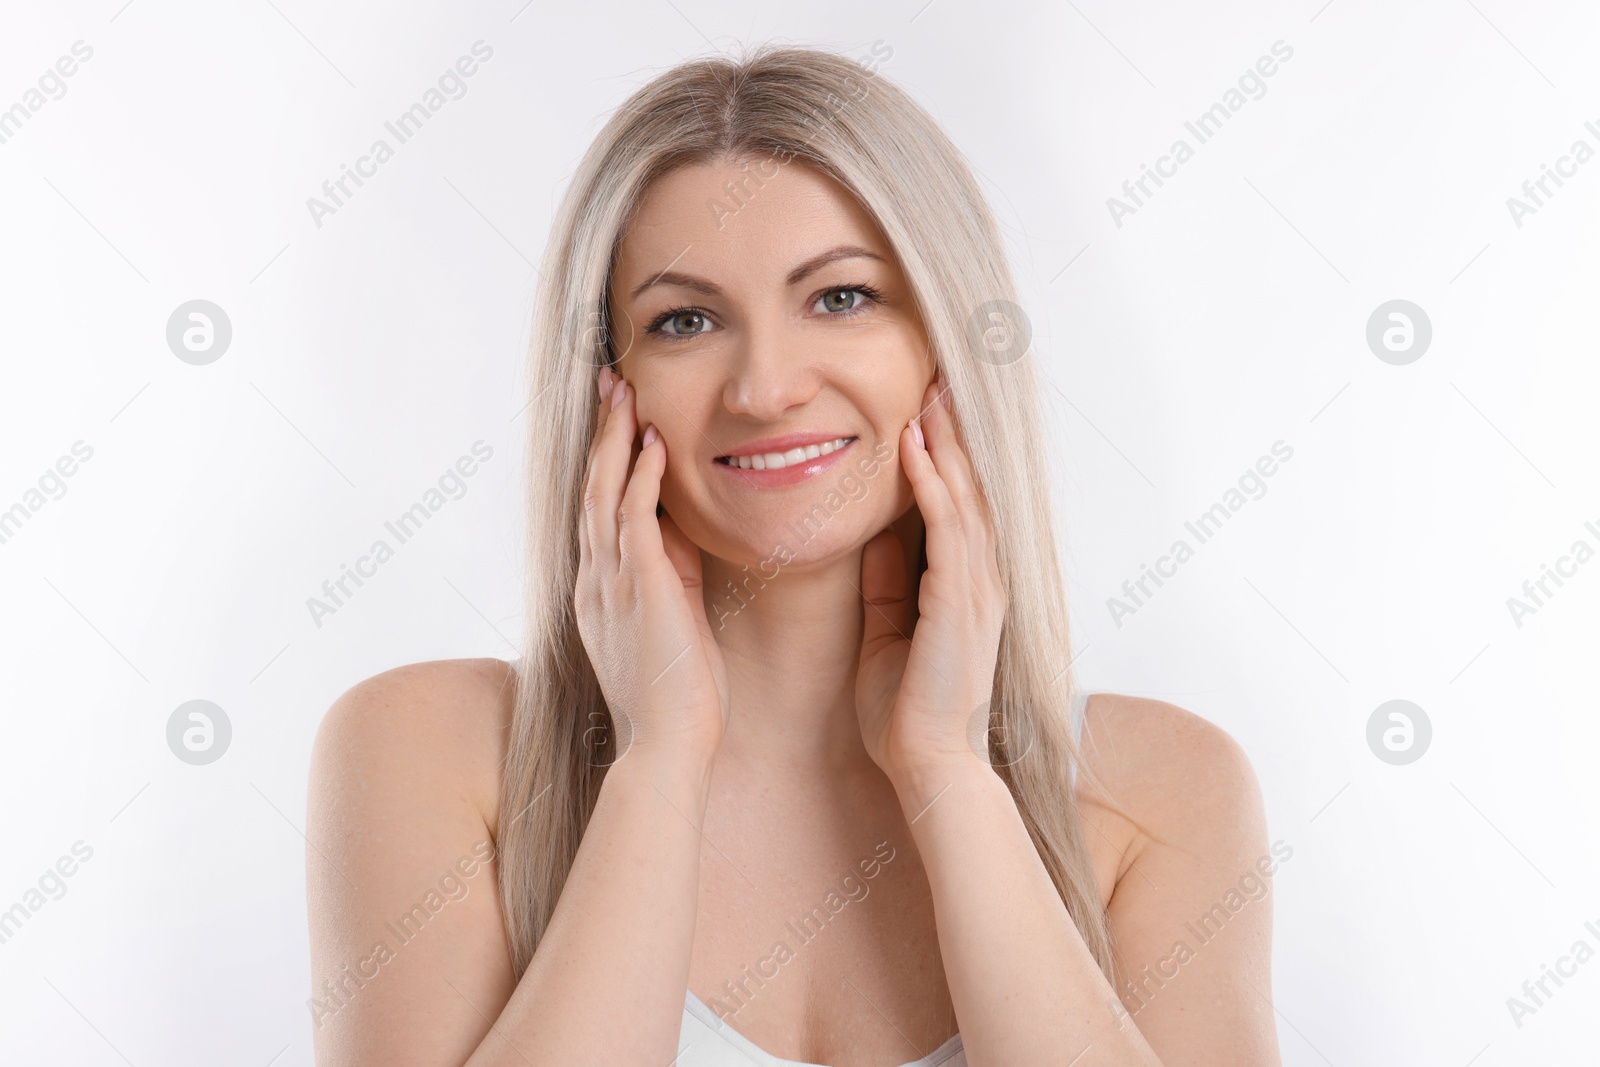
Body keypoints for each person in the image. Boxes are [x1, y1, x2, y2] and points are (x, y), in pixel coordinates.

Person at [305, 43, 1281, 1067]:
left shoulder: (1165, 786)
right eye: (683, 320)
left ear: (949, 346)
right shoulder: (429, 750)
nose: (765, 386)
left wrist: (948, 769)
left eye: (841, 297)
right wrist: (658, 757)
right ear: (606, 384)